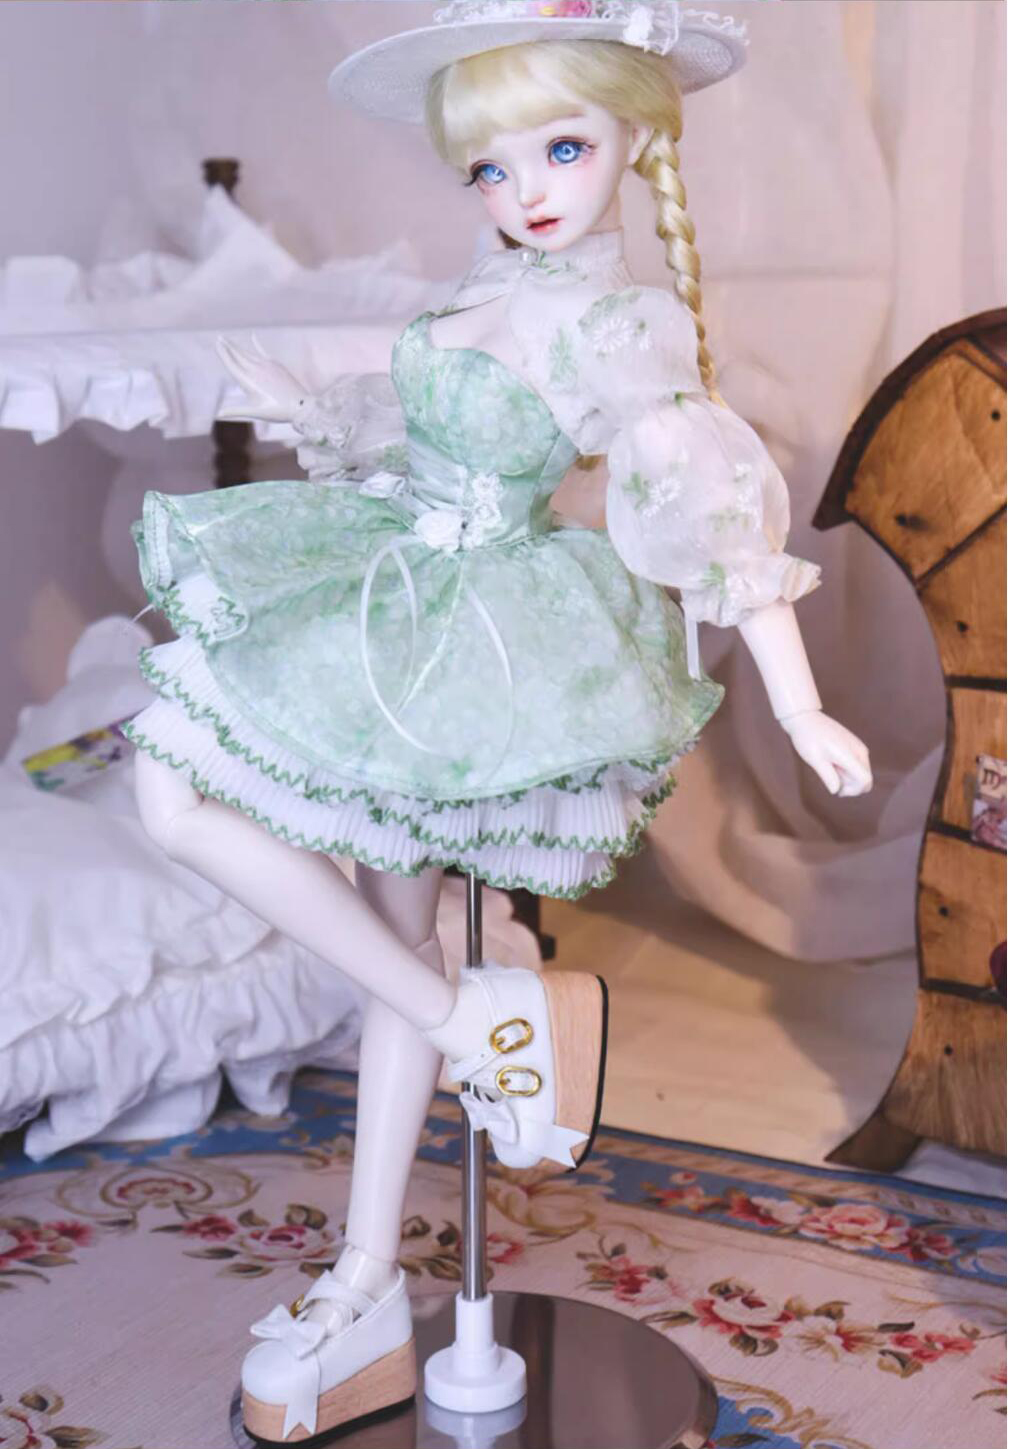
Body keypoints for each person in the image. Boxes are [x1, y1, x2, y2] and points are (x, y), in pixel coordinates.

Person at [126, 2, 872, 1440]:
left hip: (477, 632)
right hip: (395, 587)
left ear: (632, 137)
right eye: (490, 165)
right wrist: (324, 416)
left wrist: (799, 696)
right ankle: (434, 1110)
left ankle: (411, 1159)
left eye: (561, 149)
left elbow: (697, 490)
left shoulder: (620, 323)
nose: (525, 189)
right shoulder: (492, 283)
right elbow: (436, 420)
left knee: (325, 890)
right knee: (215, 823)